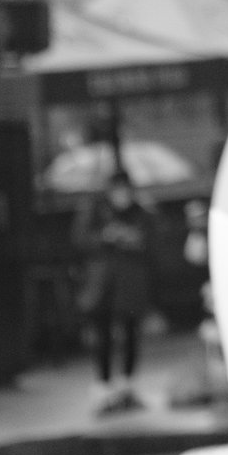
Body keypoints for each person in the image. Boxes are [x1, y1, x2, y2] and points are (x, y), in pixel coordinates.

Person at [76, 174, 153, 412]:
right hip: (102, 286)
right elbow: (81, 239)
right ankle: (103, 387)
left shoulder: (142, 213)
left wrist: (131, 238)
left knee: (130, 334)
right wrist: (105, 236)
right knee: (102, 335)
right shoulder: (96, 212)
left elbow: (151, 241)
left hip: (130, 286)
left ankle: (126, 386)